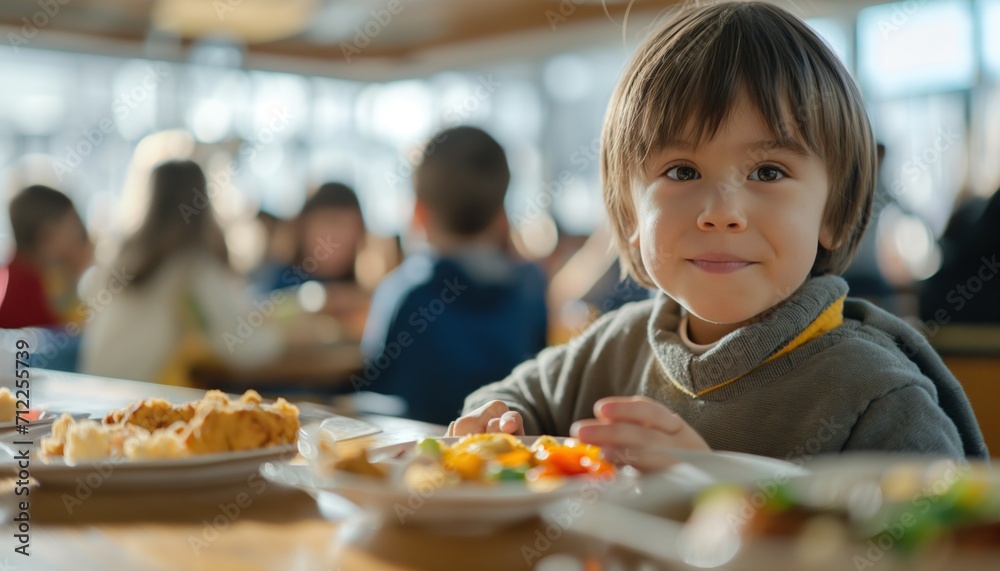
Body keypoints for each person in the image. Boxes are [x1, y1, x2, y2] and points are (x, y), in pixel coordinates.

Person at [448, 1, 986, 470]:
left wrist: (717, 489)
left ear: (836, 214)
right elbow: (510, 397)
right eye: (682, 171)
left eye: (768, 172)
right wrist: (497, 421)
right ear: (630, 215)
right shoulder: (614, 345)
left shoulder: (878, 395)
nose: (722, 213)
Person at [360, 126, 549, 425]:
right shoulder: (531, 287)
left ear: (418, 214)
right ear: (501, 214)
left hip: (419, 458)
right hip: (507, 454)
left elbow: (376, 385)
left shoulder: (404, 293)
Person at [80, 160, 283, 385]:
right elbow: (245, 348)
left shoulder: (121, 255)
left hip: (97, 390)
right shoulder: (192, 265)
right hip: (147, 400)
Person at [269, 182, 370, 335]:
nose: (345, 236)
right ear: (303, 226)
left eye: (354, 226)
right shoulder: (278, 281)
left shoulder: (364, 295)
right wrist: (318, 300)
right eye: (333, 222)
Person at [0, 185, 92, 328]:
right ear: (48, 234)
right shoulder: (31, 298)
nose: (80, 235)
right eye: (72, 225)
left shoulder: (20, 277)